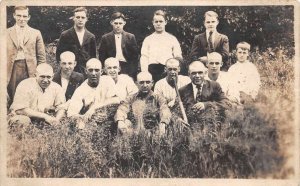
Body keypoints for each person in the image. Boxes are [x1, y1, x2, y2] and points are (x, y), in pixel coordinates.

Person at [7, 6, 46, 103]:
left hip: (30, 69)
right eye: (19, 16)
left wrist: (41, 72)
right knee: (13, 93)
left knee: (29, 92)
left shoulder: (36, 33)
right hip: (12, 68)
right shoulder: (6, 32)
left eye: (24, 16)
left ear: (29, 17)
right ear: (14, 16)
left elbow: (41, 56)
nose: (21, 19)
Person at [140, 10, 182, 83]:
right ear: (153, 23)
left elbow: (178, 56)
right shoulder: (148, 39)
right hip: (152, 70)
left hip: (167, 70)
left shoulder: (172, 38)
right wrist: (145, 73)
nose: (158, 24)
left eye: (161, 21)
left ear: (165, 22)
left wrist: (174, 70)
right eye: (156, 22)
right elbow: (144, 57)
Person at [98, 12, 139, 79]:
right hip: (111, 67)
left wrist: (132, 74)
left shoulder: (130, 37)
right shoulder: (105, 38)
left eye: (120, 23)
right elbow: (102, 57)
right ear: (111, 23)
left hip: (126, 67)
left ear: (124, 23)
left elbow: (134, 58)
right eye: (116, 23)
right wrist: (105, 72)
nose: (118, 25)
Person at [56, 7, 96, 74]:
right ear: (73, 18)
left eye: (83, 17)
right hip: (69, 71)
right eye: (78, 17)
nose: (80, 20)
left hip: (85, 71)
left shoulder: (91, 36)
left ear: (86, 19)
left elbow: (93, 57)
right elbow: (59, 55)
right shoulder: (65, 35)